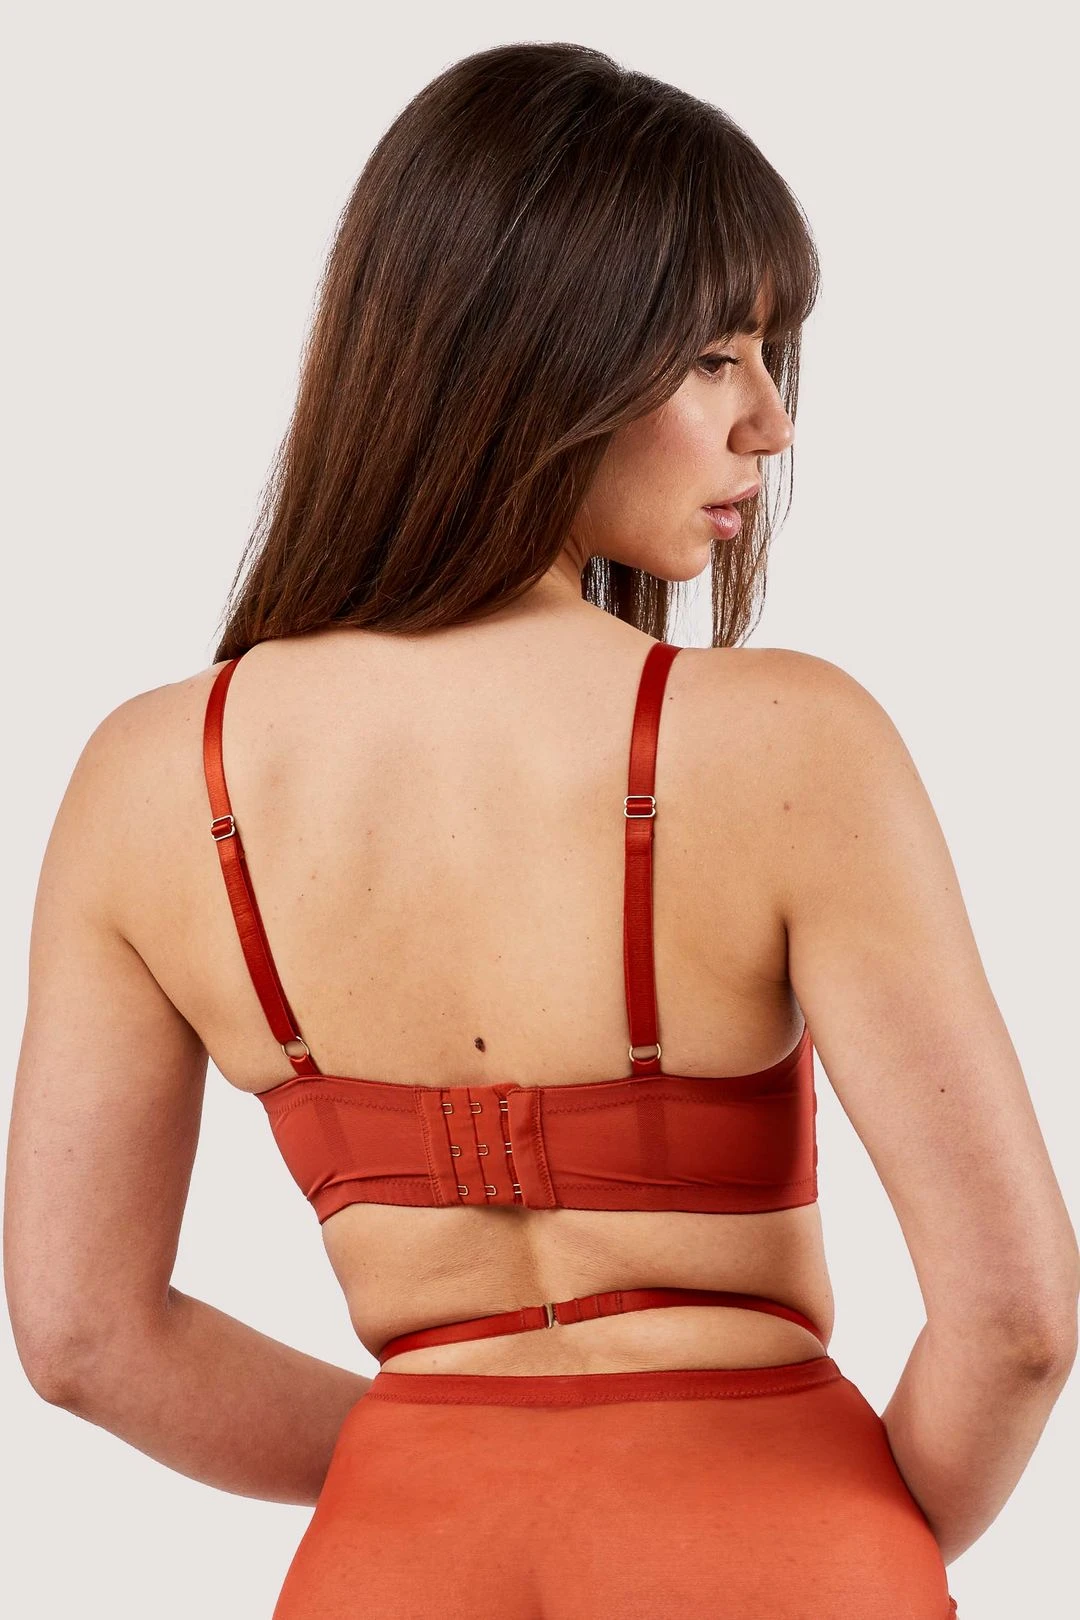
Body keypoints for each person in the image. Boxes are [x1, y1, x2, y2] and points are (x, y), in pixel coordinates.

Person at [6, 39, 1076, 1620]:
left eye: (768, 356)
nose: (770, 423)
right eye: (713, 358)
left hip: (394, 1564)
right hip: (774, 1538)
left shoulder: (148, 778)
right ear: (538, 358)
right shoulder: (789, 741)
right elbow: (1019, 1320)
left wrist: (442, 1462)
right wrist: (839, 1532)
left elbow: (84, 1338)